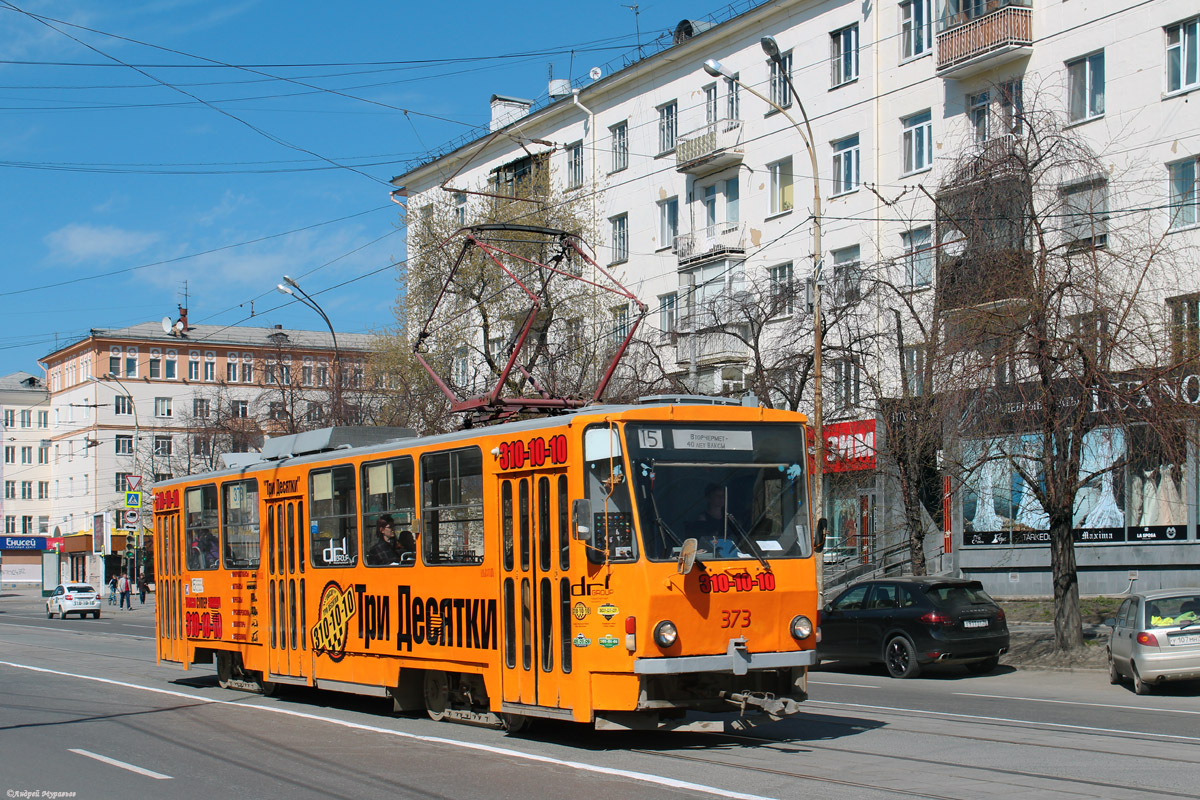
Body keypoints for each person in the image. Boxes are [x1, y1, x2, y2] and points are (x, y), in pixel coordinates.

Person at [691, 484, 741, 558]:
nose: (721, 498)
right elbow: (701, 542)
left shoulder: (729, 518)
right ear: (708, 498)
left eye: (723, 496)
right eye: (717, 496)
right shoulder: (702, 518)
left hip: (730, 554)